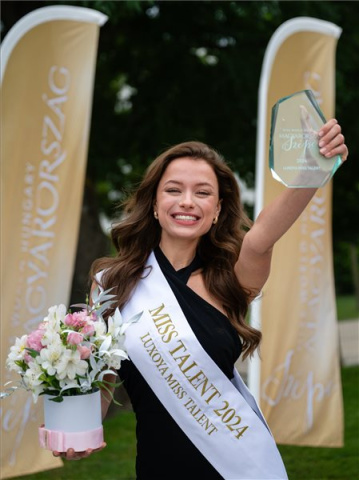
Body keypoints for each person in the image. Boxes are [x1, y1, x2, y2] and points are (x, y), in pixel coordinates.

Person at [54, 119, 348, 479]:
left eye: (203, 192)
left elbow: (261, 238)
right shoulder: (113, 283)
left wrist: (315, 163)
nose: (187, 202)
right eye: (174, 190)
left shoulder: (230, 278)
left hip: (238, 467)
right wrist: (76, 428)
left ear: (218, 210)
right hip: (158, 467)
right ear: (155, 204)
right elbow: (104, 377)